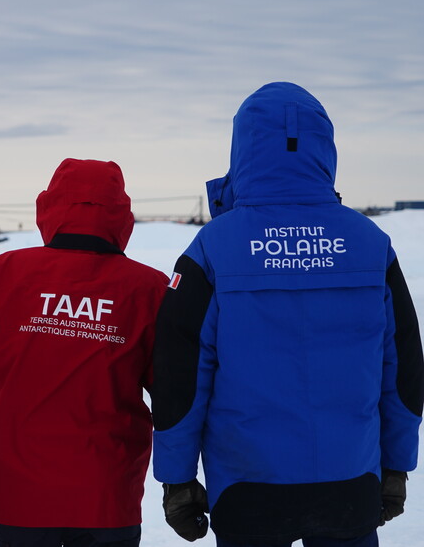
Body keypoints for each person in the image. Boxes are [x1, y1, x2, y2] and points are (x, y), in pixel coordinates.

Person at [152, 82, 424, 547]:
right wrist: (396, 465)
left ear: (242, 148)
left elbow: (180, 374)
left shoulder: (212, 248)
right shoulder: (370, 244)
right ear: (324, 147)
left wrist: (177, 480)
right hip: (350, 480)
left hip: (248, 486)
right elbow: (402, 366)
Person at [0, 158, 169, 547]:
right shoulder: (148, 287)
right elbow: (171, 388)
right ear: (122, 215)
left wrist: (21, 367)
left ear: (48, 207)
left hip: (20, 496)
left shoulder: (6, 272)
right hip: (108, 495)